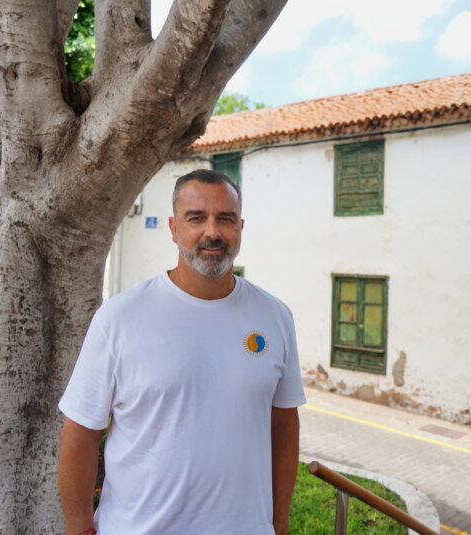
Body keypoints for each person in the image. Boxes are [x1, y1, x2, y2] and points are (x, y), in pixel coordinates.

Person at [58, 169, 306, 535]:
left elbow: (284, 426)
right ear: (174, 229)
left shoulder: (275, 316)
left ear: (240, 227)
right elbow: (80, 433)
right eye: (196, 218)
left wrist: (279, 523)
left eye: (225, 219)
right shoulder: (120, 318)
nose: (212, 232)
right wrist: (78, 526)